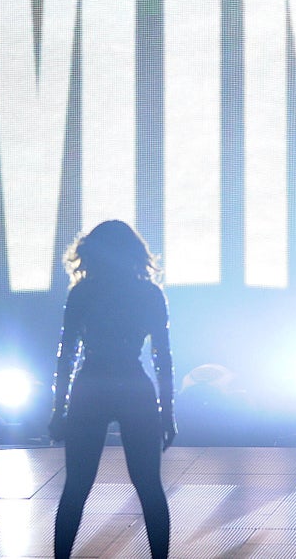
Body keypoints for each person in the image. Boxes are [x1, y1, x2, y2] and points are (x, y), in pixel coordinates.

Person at [49, 220, 176, 559]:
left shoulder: (83, 293)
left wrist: (58, 410)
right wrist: (168, 414)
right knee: (149, 486)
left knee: (76, 487)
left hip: (91, 385)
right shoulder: (149, 294)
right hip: (134, 385)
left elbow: (67, 356)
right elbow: (162, 358)